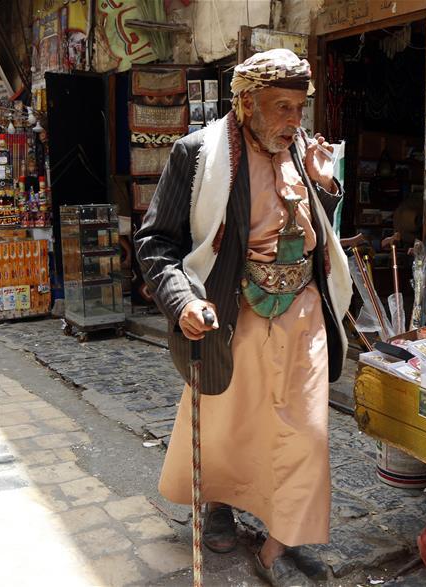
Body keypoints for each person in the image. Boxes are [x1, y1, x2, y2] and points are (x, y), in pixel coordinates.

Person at [135, 49, 352, 586]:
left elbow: (315, 230)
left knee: (306, 431)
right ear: (247, 102)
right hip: (233, 311)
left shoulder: (301, 149)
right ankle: (218, 507)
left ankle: (286, 535)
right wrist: (183, 299)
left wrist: (329, 185)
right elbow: (155, 242)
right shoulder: (197, 153)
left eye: (299, 109)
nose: (294, 122)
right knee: (229, 425)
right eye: (282, 108)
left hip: (302, 314)